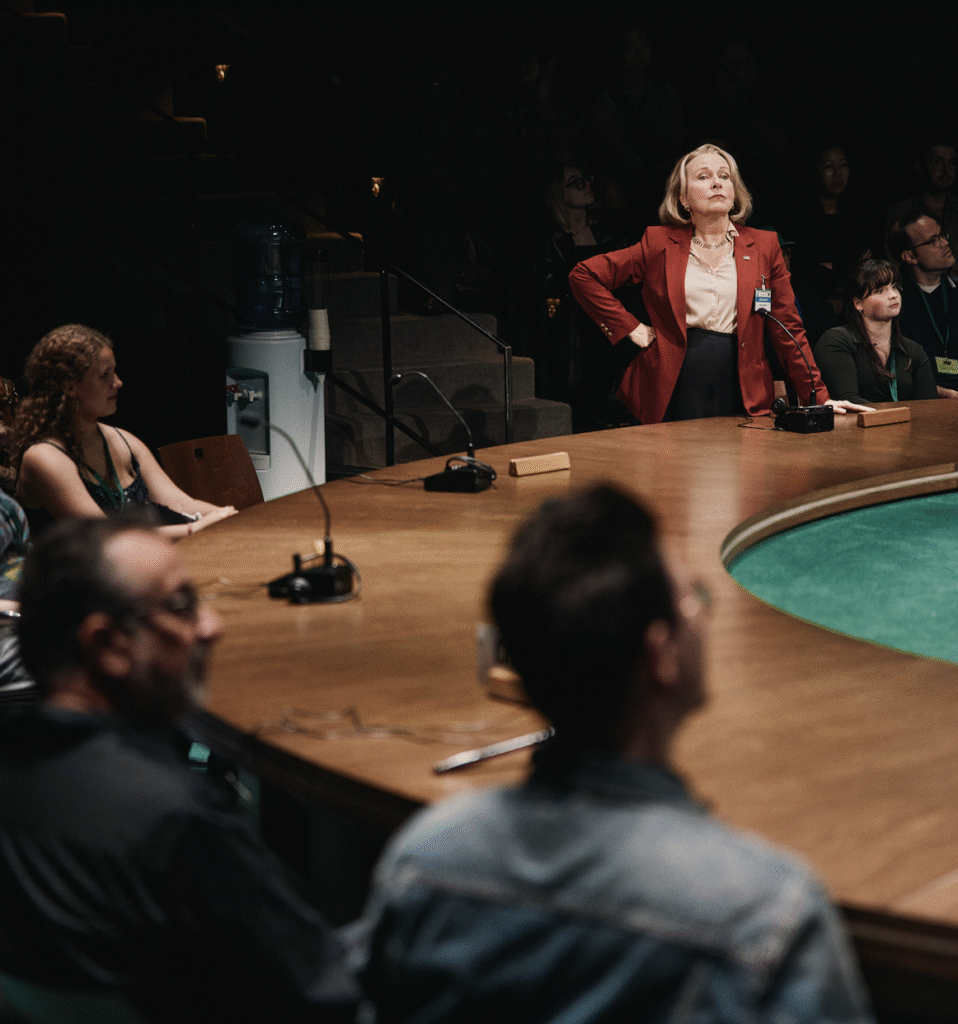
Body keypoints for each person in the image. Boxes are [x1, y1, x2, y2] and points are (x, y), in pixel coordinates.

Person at [352, 484, 875, 1023]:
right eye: (692, 596)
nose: (701, 612)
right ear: (661, 653)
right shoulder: (769, 914)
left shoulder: (422, 861)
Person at [0, 516, 359, 1023]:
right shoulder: (176, 818)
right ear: (109, 645)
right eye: (182, 606)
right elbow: (320, 993)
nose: (213, 627)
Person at [568, 143, 870, 423]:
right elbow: (584, 275)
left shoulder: (764, 246)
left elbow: (788, 328)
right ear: (683, 198)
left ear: (735, 192)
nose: (717, 182)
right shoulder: (659, 243)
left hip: (741, 388)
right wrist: (630, 327)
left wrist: (819, 396)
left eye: (724, 176)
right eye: (703, 176)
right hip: (674, 386)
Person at [14, 324, 237, 539]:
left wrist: (232, 517)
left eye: (115, 372)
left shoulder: (122, 440)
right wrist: (195, 529)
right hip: (72, 574)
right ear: (70, 387)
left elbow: (181, 504)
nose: (118, 382)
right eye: (105, 375)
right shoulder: (44, 457)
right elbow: (103, 536)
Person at [815, 260, 937, 406]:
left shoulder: (913, 350)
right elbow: (848, 402)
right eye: (880, 290)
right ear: (858, 303)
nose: (893, 295)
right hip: (856, 426)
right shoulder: (837, 340)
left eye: (894, 287)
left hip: (904, 426)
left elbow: (928, 406)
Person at [889, 214, 958, 398]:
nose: (944, 243)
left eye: (942, 235)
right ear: (909, 256)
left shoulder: (954, 290)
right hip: (922, 396)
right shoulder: (893, 301)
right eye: (933, 240)